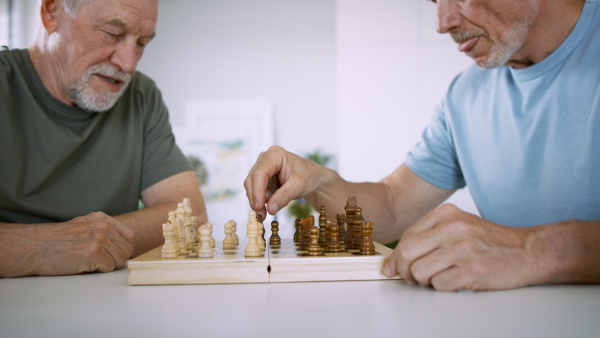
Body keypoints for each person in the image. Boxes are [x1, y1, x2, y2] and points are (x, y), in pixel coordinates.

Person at [244, 0, 600, 291]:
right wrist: (319, 183)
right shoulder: (465, 95)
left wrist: (531, 251)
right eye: (434, 1)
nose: (442, 22)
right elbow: (394, 207)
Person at [0, 0, 207, 277]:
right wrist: (45, 246)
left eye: (142, 43)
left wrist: (96, 239)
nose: (128, 63)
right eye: (111, 34)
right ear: (51, 12)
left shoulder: (141, 96)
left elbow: (191, 216)